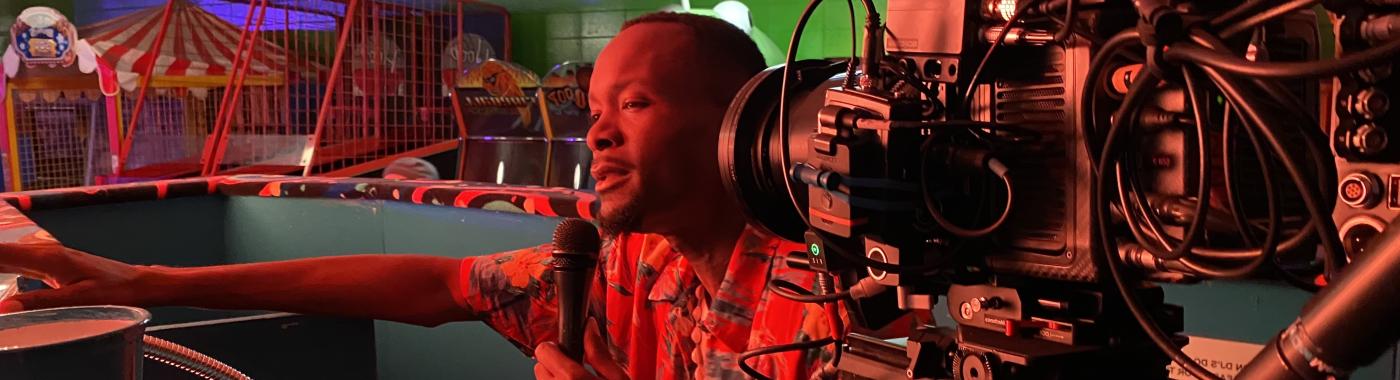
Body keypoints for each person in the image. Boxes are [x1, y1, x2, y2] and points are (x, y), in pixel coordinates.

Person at [0, 12, 837, 379]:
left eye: (637, 105)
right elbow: (439, 286)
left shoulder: (821, 311)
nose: (600, 134)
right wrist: (135, 282)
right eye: (596, 109)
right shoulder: (633, 266)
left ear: (741, 128)